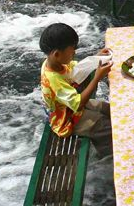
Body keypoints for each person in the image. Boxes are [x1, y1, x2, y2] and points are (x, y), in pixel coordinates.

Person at [38, 23, 113, 154]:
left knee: (108, 109)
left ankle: (103, 144)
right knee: (105, 126)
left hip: (69, 106)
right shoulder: (54, 79)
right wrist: (97, 78)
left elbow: (75, 69)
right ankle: (109, 155)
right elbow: (78, 105)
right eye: (72, 49)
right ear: (56, 54)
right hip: (65, 119)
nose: (74, 52)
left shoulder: (54, 63)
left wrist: (96, 58)